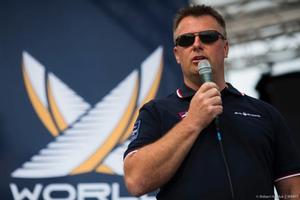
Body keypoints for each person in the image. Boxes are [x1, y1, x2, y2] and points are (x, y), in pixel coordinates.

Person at [123, 4, 300, 200]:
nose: (196, 44)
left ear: (225, 48)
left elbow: (292, 189)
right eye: (186, 40)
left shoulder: (265, 114)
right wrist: (193, 122)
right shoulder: (156, 112)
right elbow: (135, 181)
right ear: (176, 54)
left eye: (207, 37)